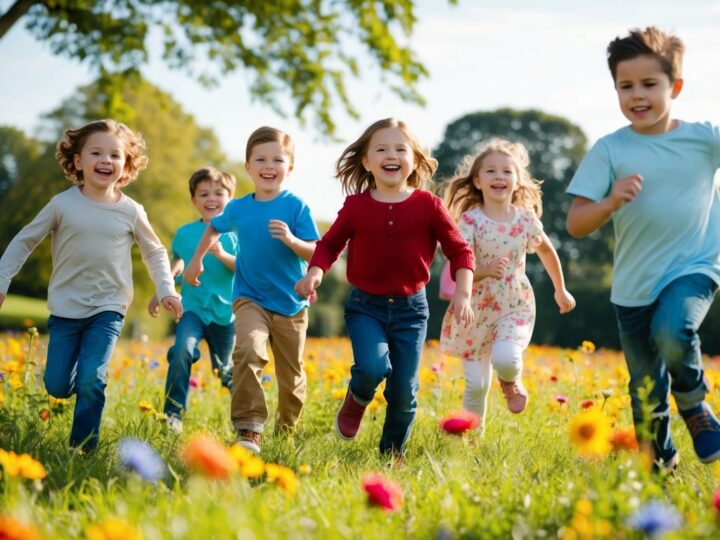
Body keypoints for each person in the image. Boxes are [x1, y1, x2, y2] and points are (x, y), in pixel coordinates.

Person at [566, 27, 720, 470]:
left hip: (695, 266)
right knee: (645, 387)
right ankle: (660, 464)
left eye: (649, 84)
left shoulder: (703, 139)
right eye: (625, 86)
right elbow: (576, 223)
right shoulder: (610, 150)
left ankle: (694, 406)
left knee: (675, 330)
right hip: (633, 288)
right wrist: (610, 201)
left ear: (675, 87)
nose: (637, 95)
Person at [295, 118, 475, 457]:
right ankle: (358, 396)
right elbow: (329, 245)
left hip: (412, 310)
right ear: (366, 161)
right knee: (373, 368)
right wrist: (314, 273)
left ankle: (392, 454)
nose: (390, 155)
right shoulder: (356, 206)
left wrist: (463, 293)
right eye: (381, 149)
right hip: (366, 307)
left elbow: (460, 250)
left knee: (405, 391)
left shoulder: (428, 205)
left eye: (399, 149)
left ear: (415, 161)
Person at [0, 119, 182, 450]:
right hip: (66, 307)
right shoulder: (62, 204)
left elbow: (154, 252)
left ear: (126, 165)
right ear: (77, 160)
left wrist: (166, 289)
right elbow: (24, 241)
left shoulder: (131, 210)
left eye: (115, 155)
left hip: (109, 307)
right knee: (56, 385)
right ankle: (76, 387)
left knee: (92, 379)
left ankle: (82, 448)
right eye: (96, 152)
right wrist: (2, 281)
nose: (105, 160)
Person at [184, 126, 319, 453]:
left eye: (278, 159)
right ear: (247, 166)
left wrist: (291, 240)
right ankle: (249, 430)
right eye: (260, 159)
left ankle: (287, 429)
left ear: (291, 167)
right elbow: (213, 229)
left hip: (291, 302)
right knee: (247, 350)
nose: (268, 165)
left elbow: (317, 251)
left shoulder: (296, 207)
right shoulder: (239, 208)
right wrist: (196, 260)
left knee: (291, 380)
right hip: (249, 299)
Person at [440, 139, 575, 434]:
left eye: (506, 171)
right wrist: (484, 270)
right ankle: (472, 439)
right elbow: (457, 266)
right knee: (476, 385)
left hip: (514, 304)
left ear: (517, 181)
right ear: (477, 180)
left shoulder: (526, 221)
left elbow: (547, 251)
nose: (498, 176)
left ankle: (510, 381)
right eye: (490, 171)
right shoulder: (470, 221)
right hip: (473, 308)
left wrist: (560, 289)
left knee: (505, 358)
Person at [148, 166, 238, 433]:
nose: (211, 198)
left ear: (231, 197)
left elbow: (245, 269)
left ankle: (245, 419)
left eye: (219, 193)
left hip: (227, 315)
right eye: (204, 193)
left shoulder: (237, 233)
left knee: (226, 372)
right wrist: (163, 289)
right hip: (193, 310)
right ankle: (173, 415)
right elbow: (178, 262)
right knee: (182, 351)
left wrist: (221, 255)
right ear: (194, 200)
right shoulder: (185, 234)